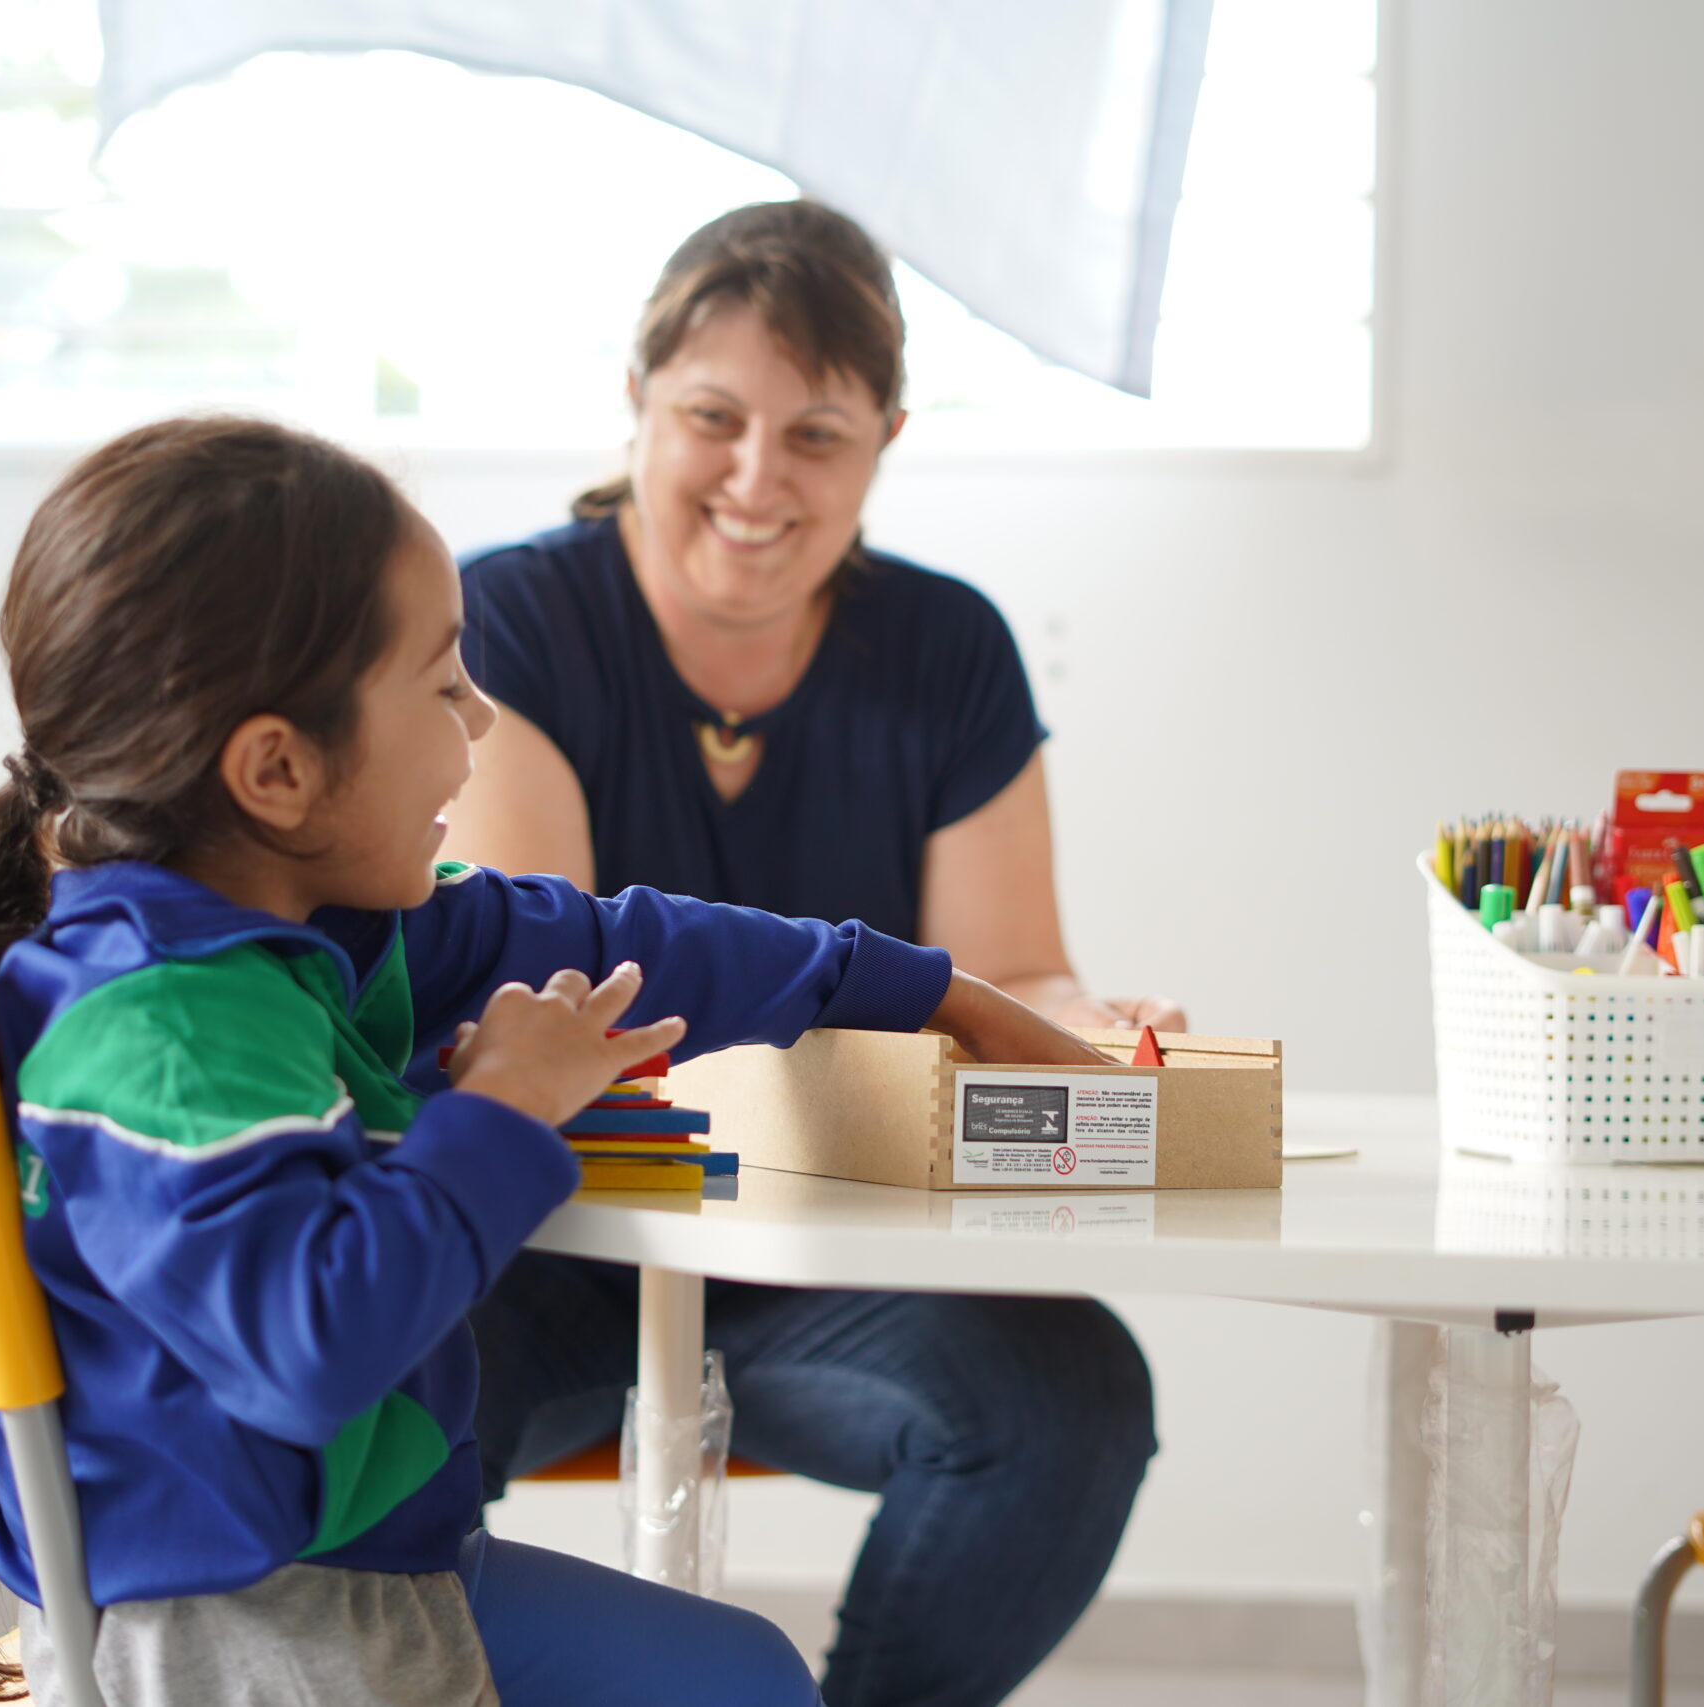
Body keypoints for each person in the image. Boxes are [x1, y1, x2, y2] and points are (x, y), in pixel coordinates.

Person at [0, 414, 1107, 1707]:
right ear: (279, 768)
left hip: (358, 1556)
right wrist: (508, 1103)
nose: (483, 716)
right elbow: (312, 1346)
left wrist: (933, 989)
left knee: (742, 1677)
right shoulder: (170, 1032)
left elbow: (621, 940)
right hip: (251, 1624)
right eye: (445, 686)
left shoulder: (318, 924)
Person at [449, 201, 1177, 1707]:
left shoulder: (950, 648)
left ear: (888, 439)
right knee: (363, 1413)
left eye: (819, 436)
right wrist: (919, 1021)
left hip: (821, 1258)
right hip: (550, 1239)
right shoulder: (506, 619)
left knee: (1075, 1404)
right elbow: (552, 1012)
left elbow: (1011, 976)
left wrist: (1080, 1025)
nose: (756, 478)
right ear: (638, 400)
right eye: (713, 417)